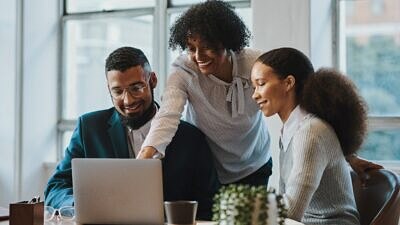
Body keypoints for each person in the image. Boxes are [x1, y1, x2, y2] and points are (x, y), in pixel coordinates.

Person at [44, 47, 218, 220]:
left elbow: (210, 203)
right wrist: (79, 206)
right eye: (118, 91)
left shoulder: (190, 138)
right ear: (108, 89)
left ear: (153, 80)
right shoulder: (89, 128)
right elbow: (55, 187)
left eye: (136, 88)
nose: (128, 100)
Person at [138, 0, 272, 186]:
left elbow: (283, 95)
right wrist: (146, 154)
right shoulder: (184, 71)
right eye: (192, 49)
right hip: (210, 168)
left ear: (226, 42)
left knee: (251, 216)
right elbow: (168, 113)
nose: (198, 57)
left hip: (255, 163)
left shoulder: (254, 63)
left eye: (207, 47)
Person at [251, 47, 364, 224]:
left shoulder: (310, 132)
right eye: (254, 86)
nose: (255, 95)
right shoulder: (293, 130)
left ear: (288, 83)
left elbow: (291, 211)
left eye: (261, 84)